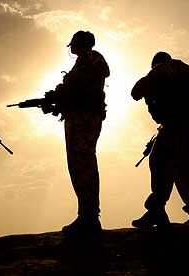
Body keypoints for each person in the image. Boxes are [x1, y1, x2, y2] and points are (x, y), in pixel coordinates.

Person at [130, 51, 189, 228]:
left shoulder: (167, 67)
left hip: (176, 125)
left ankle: (156, 210)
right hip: (184, 126)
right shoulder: (184, 74)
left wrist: (146, 86)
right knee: (183, 169)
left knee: (159, 161)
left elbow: (136, 92)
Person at [44, 31, 110, 235]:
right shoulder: (83, 62)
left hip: (84, 119)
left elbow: (90, 81)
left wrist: (63, 93)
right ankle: (86, 214)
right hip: (78, 117)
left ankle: (89, 217)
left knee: (83, 164)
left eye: (73, 43)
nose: (71, 47)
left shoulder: (92, 59)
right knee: (78, 165)